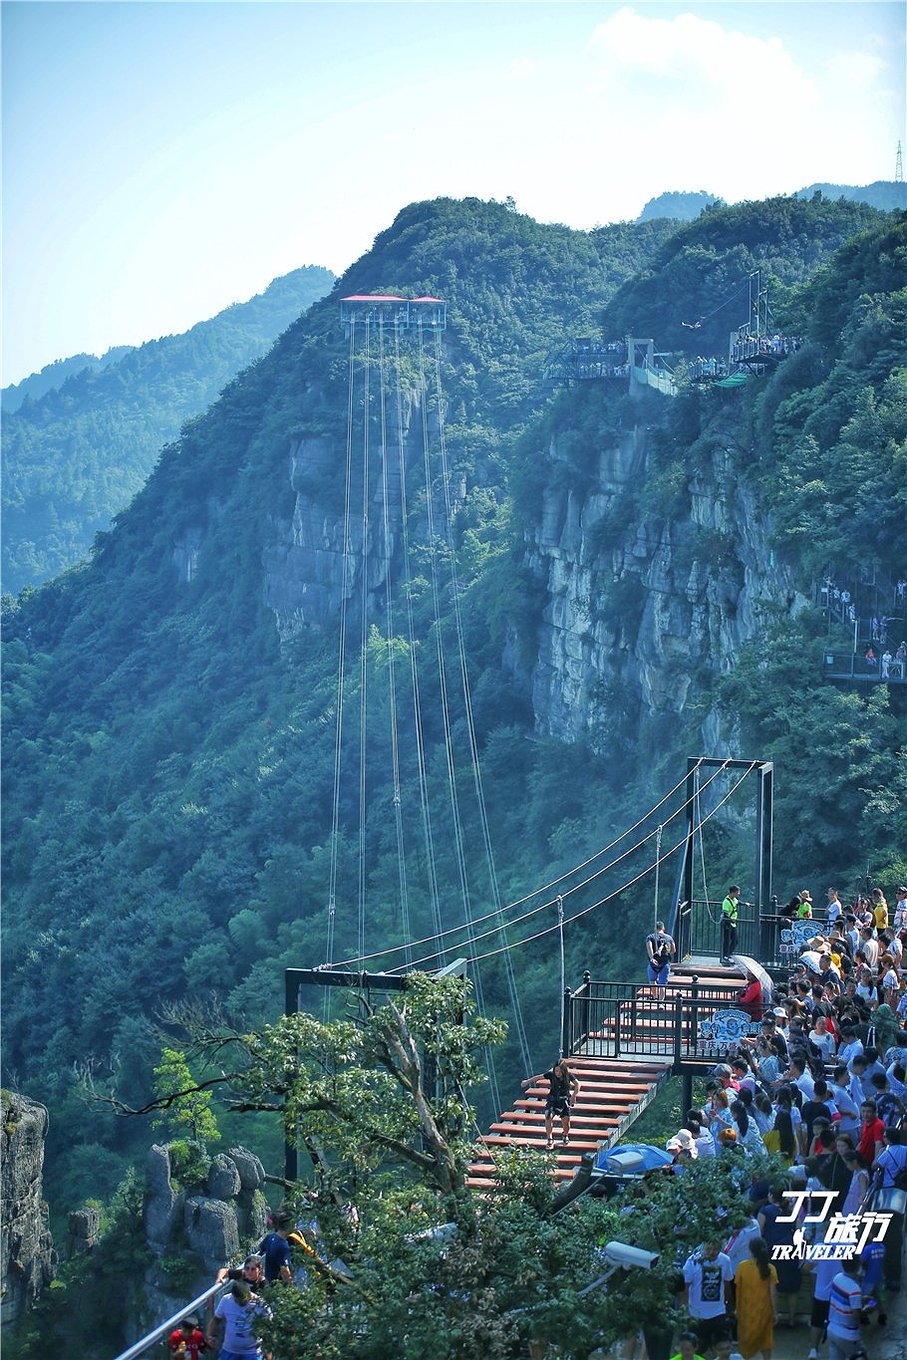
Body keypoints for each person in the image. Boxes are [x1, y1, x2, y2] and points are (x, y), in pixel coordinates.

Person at [683, 1240, 735, 1355]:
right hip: (696, 1315)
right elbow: (685, 1288)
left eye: (716, 1249)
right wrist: (685, 1310)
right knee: (696, 1351)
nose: (712, 1252)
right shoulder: (692, 1261)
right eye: (709, 1249)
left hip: (718, 1313)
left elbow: (727, 1285)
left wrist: (729, 1307)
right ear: (703, 1246)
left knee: (720, 1350)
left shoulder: (725, 1261)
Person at [733, 1237, 777, 1360]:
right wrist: (775, 1313)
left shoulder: (742, 1267)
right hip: (764, 1311)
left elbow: (738, 1290)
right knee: (766, 1342)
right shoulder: (770, 1269)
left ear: (750, 1250)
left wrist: (737, 1308)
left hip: (745, 1311)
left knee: (745, 1341)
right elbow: (772, 1294)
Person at [521, 1059, 579, 1149]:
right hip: (553, 1100)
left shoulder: (569, 1075)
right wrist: (527, 1082)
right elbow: (538, 1077)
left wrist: (574, 1095)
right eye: (556, 1071)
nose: (558, 1073)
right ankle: (549, 1139)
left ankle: (565, 1134)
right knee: (548, 1116)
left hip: (564, 1101)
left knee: (566, 1123)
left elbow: (578, 1084)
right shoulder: (551, 1075)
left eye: (560, 1071)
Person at [207, 1281, 270, 1359]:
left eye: (243, 1300)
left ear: (249, 1294)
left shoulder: (260, 1303)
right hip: (229, 1350)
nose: (241, 1303)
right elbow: (216, 1320)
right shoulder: (226, 1300)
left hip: (252, 1351)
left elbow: (269, 1327)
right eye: (237, 1300)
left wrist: (268, 1352)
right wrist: (210, 1336)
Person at [825, 1257, 862, 1360]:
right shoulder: (855, 1289)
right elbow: (856, 1315)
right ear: (858, 1266)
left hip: (832, 1329)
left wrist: (860, 1300)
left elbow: (843, 1300)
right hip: (848, 1334)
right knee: (860, 1355)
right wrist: (866, 1309)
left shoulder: (837, 1278)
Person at [257, 1216, 294, 1284]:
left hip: (268, 1281)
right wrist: (293, 1288)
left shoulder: (269, 1237)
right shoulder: (283, 1246)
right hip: (277, 1285)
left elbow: (260, 1251)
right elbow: (284, 1271)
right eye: (294, 1224)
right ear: (289, 1226)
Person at [646, 920, 676, 1001]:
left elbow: (649, 947)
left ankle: (655, 997)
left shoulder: (650, 937)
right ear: (663, 928)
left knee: (652, 981)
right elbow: (673, 950)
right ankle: (661, 1001)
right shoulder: (669, 938)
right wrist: (667, 952)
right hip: (665, 963)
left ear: (655, 928)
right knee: (662, 984)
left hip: (653, 963)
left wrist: (652, 958)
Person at [720, 887, 740, 966]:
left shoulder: (734, 900)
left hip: (733, 924)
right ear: (733, 892)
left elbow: (738, 903)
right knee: (727, 941)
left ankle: (728, 954)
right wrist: (731, 920)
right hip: (727, 924)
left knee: (735, 941)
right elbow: (725, 914)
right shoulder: (726, 901)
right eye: (738, 892)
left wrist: (746, 904)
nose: (739, 894)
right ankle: (725, 956)